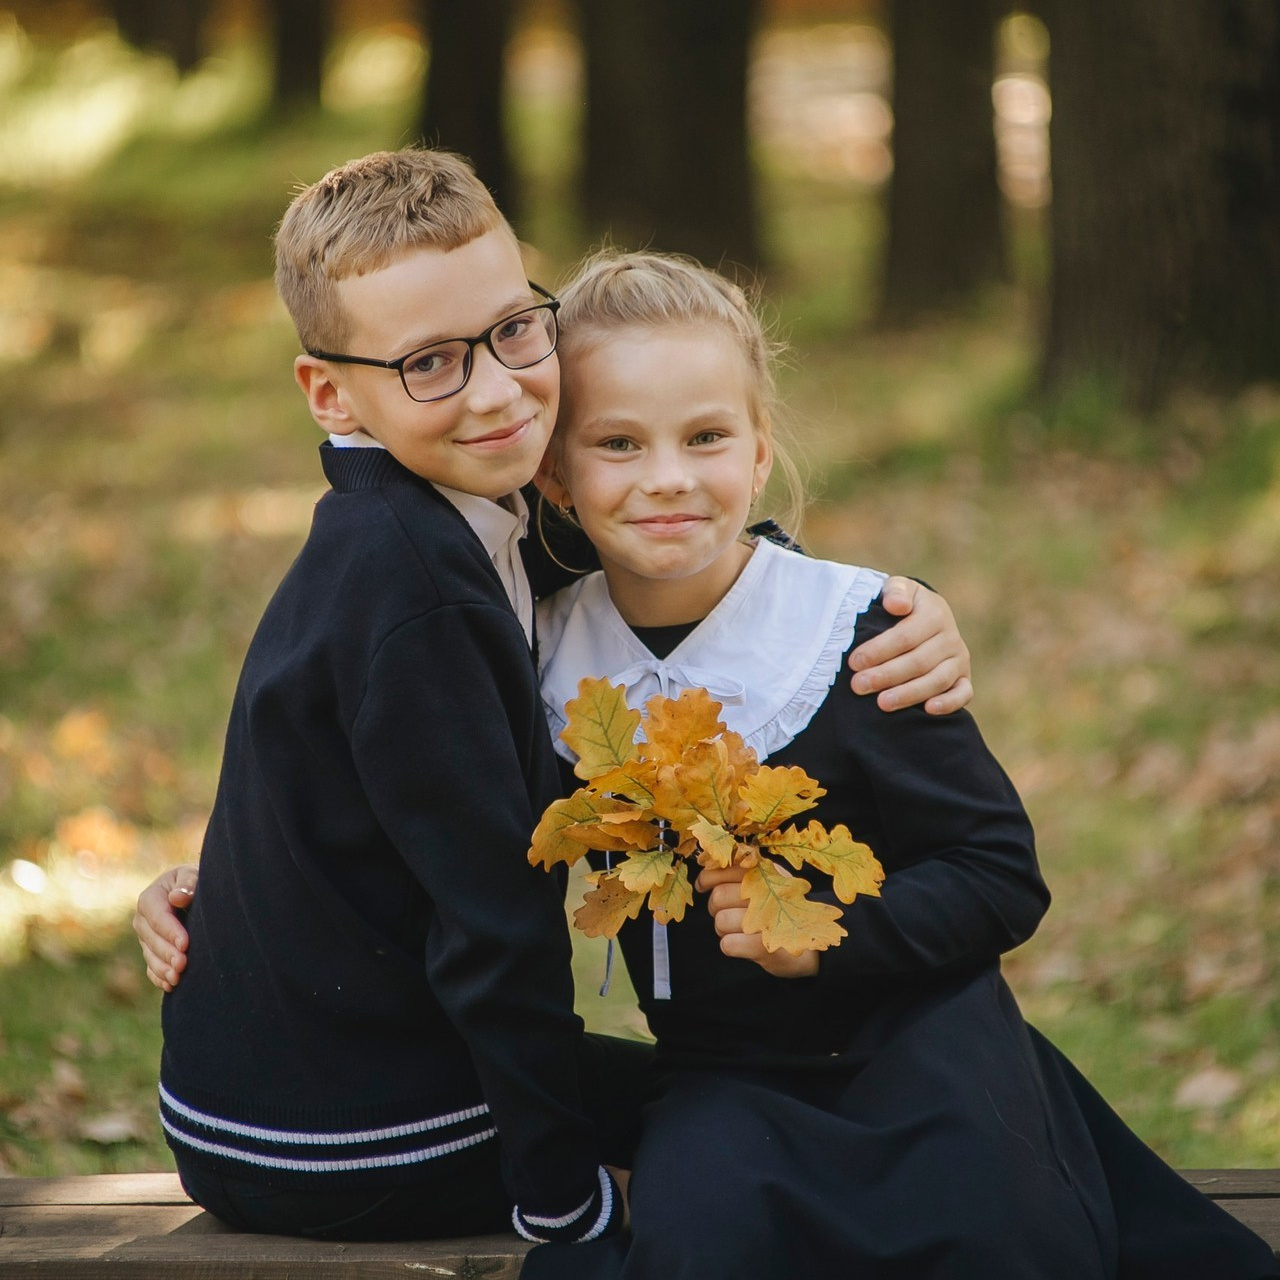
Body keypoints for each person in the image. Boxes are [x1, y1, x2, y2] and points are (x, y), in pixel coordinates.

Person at [147, 149, 974, 1247]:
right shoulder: (418, 593)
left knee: (763, 1101)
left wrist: (880, 606)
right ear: (330, 391)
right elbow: (497, 930)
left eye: (512, 330)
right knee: (776, 1122)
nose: (496, 390)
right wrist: (563, 1202)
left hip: (272, 1093)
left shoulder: (443, 520)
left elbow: (663, 557)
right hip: (347, 1135)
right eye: (430, 363)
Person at [516, 252, 1278, 1278]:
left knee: (987, 1243)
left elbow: (1000, 874)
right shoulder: (543, 656)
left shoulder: (858, 634)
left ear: (758, 452)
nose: (668, 477)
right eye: (617, 443)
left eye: (706, 437)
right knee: (699, 1241)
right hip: (723, 1079)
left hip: (925, 1051)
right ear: (554, 474)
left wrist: (821, 938)